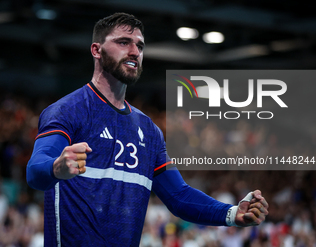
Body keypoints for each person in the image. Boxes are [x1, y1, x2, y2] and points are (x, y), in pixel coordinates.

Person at [26, 12, 269, 246]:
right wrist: (56, 167)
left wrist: (231, 213)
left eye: (140, 46)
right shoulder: (68, 110)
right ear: (96, 50)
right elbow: (35, 172)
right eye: (123, 42)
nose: (134, 52)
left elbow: (178, 197)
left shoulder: (149, 131)